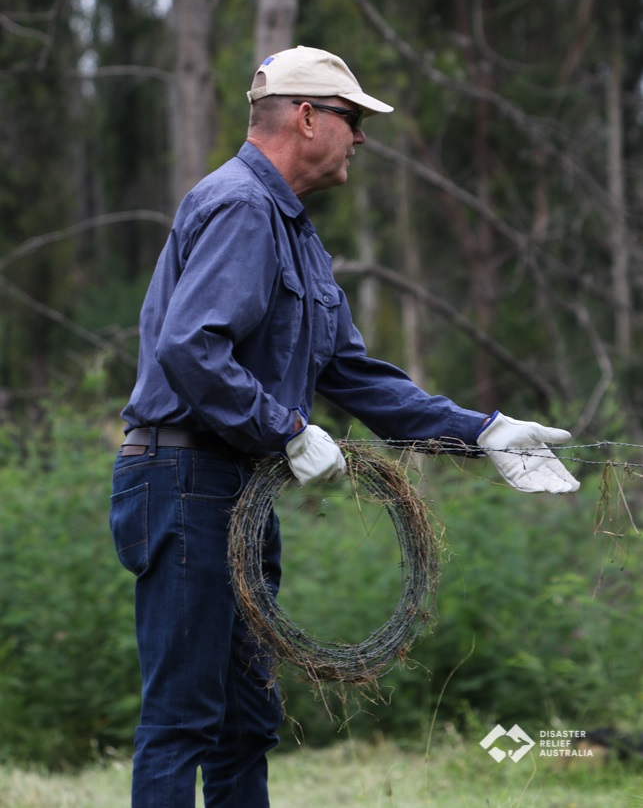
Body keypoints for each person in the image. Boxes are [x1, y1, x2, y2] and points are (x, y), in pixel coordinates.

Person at [110, 45, 580, 808]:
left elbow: (354, 376)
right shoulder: (240, 205)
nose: (360, 137)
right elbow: (190, 346)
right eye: (351, 119)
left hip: (234, 485)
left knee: (246, 720)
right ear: (305, 117)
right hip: (184, 481)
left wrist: (484, 431)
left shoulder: (296, 235)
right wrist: (286, 429)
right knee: (186, 719)